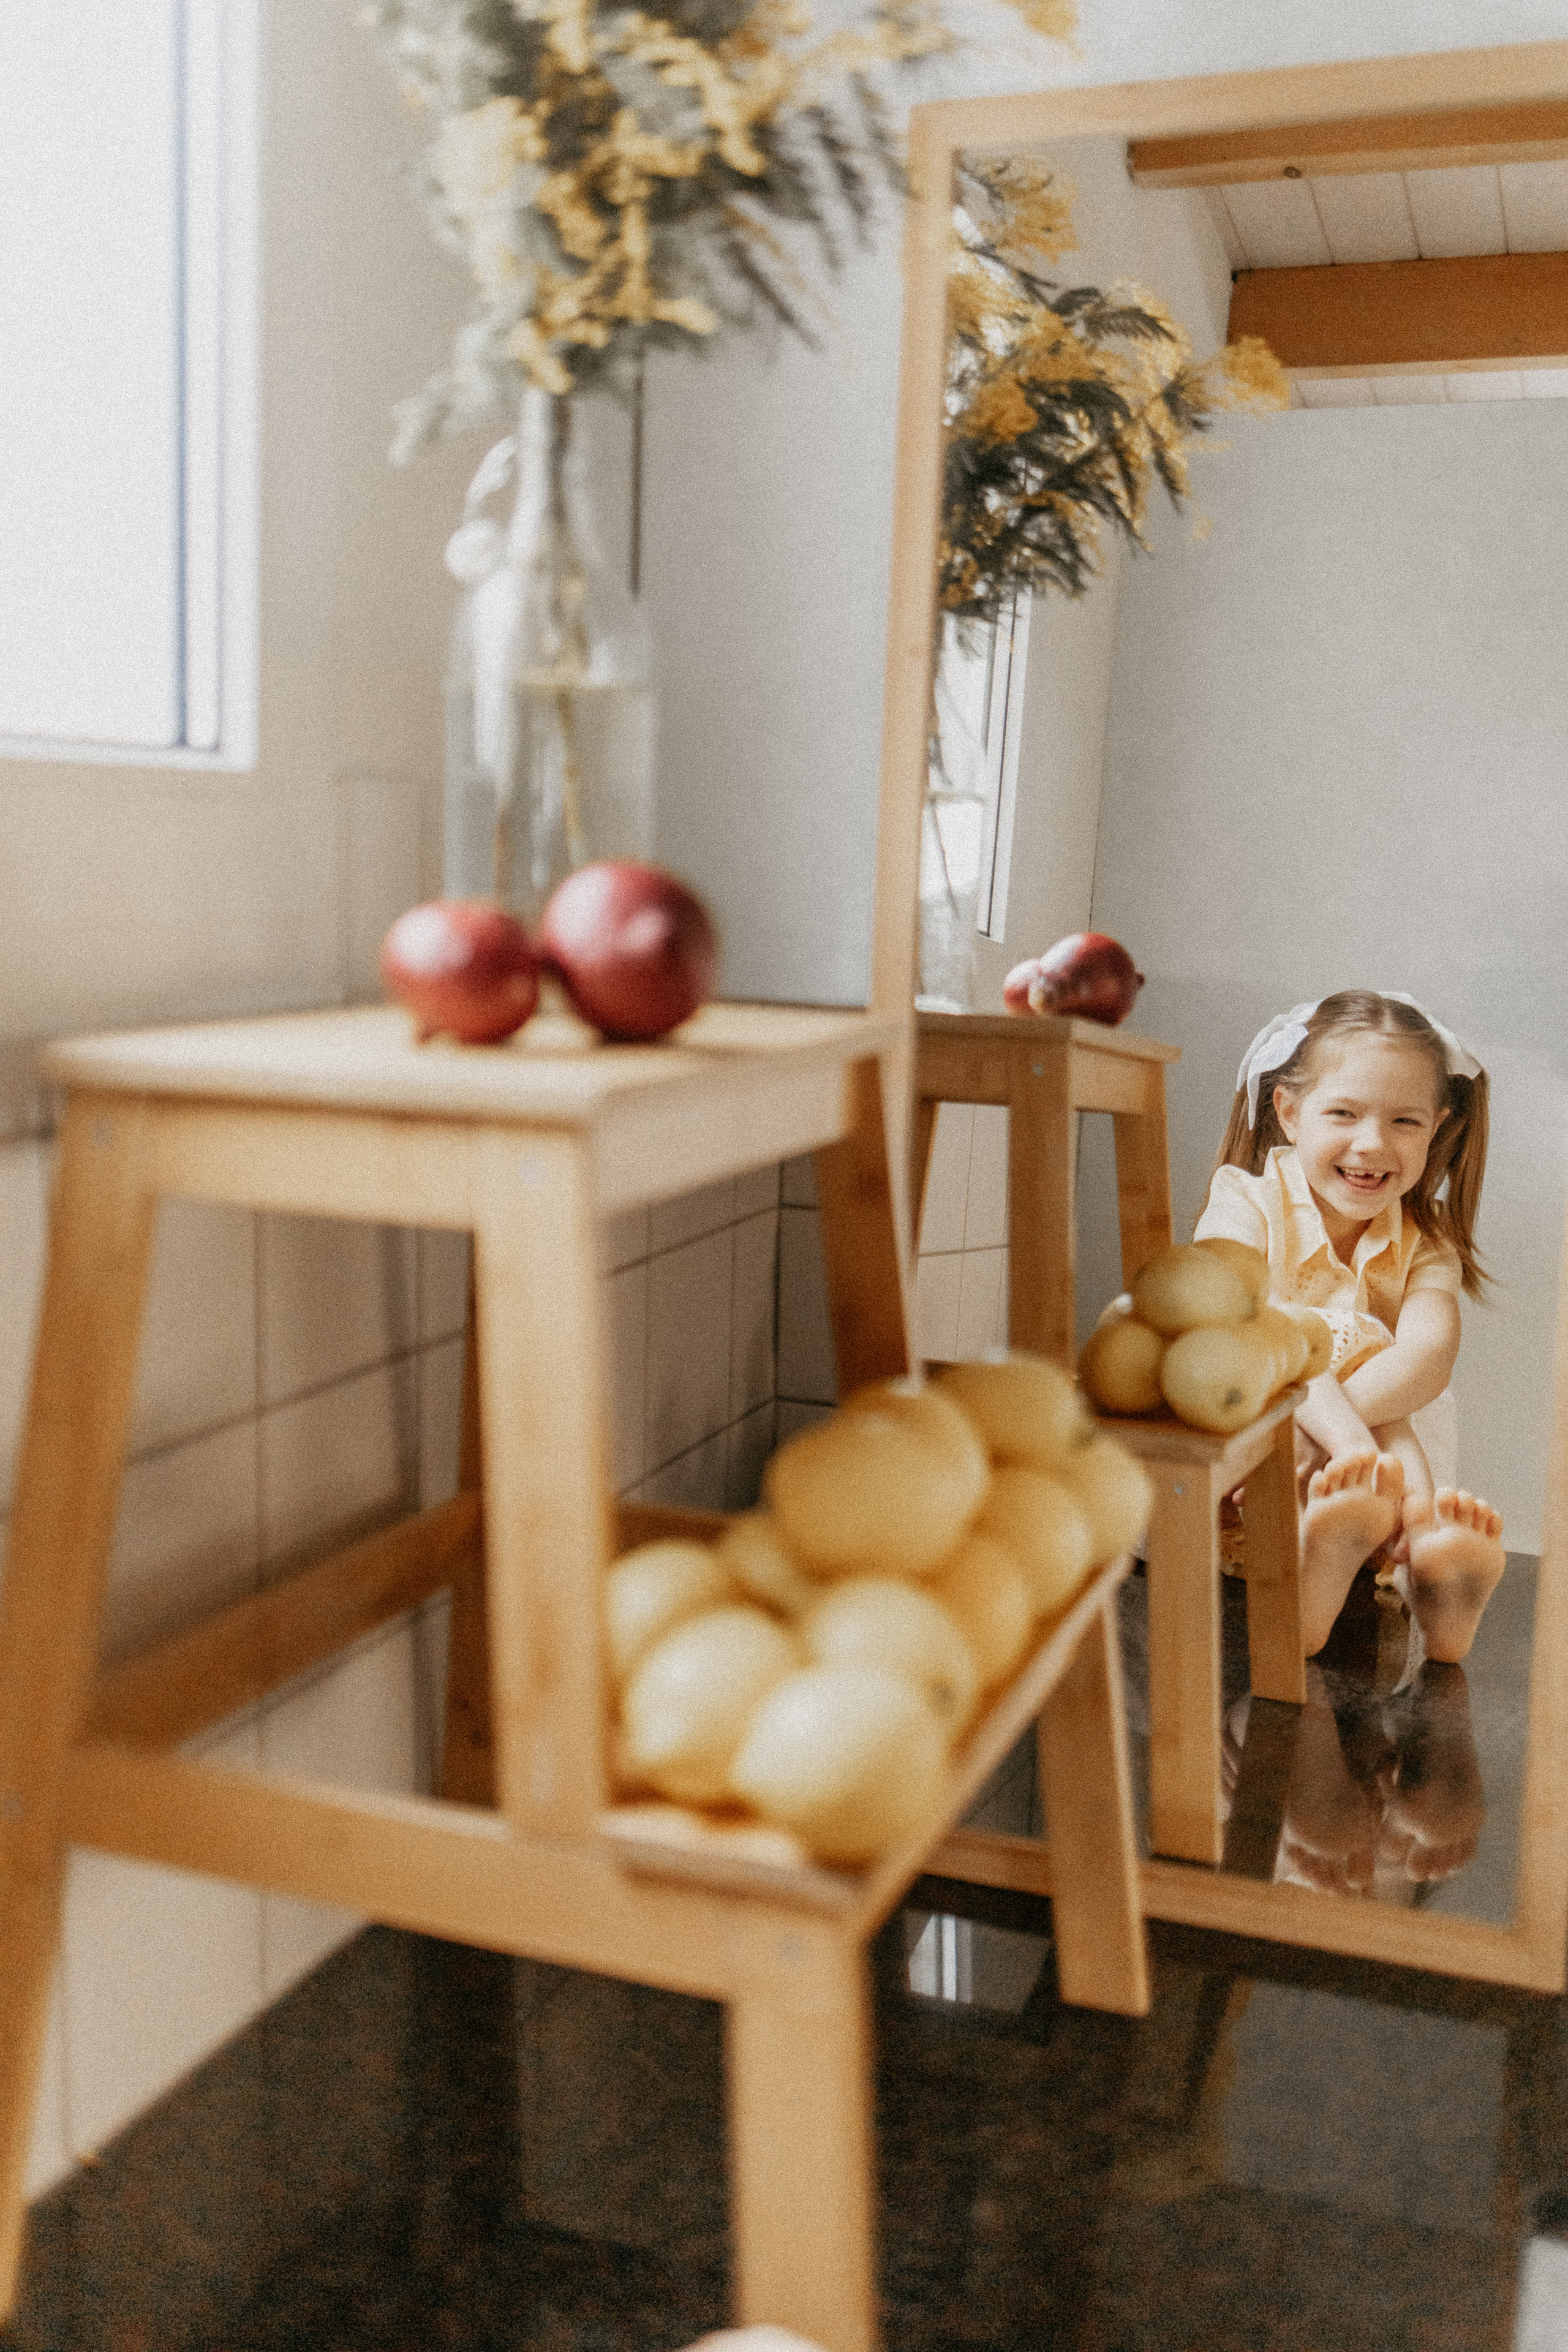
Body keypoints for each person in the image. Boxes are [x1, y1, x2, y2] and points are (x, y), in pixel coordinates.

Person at [1196, 990, 1506, 1662]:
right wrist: (1314, 1431)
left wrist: (1340, 1439)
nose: (1372, 1144)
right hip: (1249, 1434)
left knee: (1392, 1381)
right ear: (1288, 1112)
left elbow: (1429, 1354)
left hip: (1355, 1472)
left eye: (1404, 1121)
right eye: (1343, 1113)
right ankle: (1385, 1545)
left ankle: (1425, 1572)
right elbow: (1238, 1314)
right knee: (1292, 1339)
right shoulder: (1243, 1198)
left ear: (1437, 1127)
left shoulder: (1424, 1241)